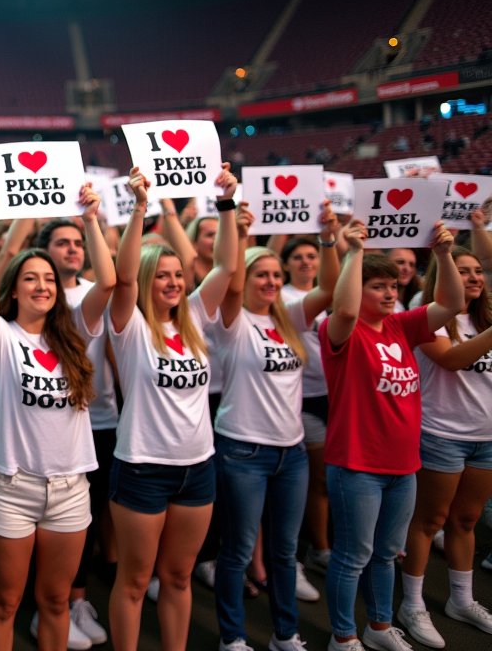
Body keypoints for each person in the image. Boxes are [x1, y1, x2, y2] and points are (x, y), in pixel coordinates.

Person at [0, 182, 115, 651]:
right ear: (13, 288)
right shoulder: (2, 337)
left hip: (72, 489)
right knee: (5, 602)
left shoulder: (74, 334)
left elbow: (109, 282)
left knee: (55, 601)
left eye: (49, 279)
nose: (42, 285)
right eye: (31, 278)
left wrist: (90, 219)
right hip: (13, 488)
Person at [107, 165, 239, 651]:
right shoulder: (131, 327)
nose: (173, 282)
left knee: (179, 578)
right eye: (161, 275)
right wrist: (142, 207)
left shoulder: (198, 319)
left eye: (178, 274)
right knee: (136, 581)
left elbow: (226, 267)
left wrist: (226, 203)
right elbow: (122, 279)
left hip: (198, 468)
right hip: (142, 468)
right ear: (145, 280)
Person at [321, 219, 463, 651]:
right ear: (356, 288)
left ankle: (378, 628)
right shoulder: (340, 330)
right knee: (352, 558)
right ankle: (342, 636)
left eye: (392, 286)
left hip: (404, 465)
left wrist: (442, 254)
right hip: (357, 466)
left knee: (387, 555)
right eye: (377, 286)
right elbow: (343, 309)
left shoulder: (402, 326)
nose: (389, 293)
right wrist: (353, 251)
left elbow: (453, 303)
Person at [212, 204, 340, 651]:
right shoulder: (231, 322)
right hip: (243, 451)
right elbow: (227, 277)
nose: (270, 282)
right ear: (245, 279)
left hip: (293, 454)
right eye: (260, 274)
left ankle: (286, 634)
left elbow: (329, 287)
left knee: (285, 553)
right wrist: (240, 231)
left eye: (275, 275)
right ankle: (233, 637)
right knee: (238, 553)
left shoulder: (289, 318)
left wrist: (327, 238)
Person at [398, 240, 492, 647]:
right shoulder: (429, 318)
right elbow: (453, 360)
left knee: (466, 522)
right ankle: (413, 605)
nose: (473, 277)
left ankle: (461, 600)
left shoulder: (485, 318)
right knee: (428, 522)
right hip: (441, 436)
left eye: (477, 271)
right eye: (463, 270)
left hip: (485, 439)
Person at [280, 235, 335, 575]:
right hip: (301, 398)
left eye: (311, 255)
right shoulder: (283, 299)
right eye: (297, 256)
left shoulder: (335, 298)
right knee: (318, 480)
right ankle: (319, 547)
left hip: (338, 397)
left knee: (335, 475)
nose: (305, 261)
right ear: (285, 263)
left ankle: (327, 540)